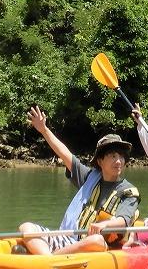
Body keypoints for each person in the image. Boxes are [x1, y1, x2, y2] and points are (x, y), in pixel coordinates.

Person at [16, 105, 141, 255]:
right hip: (72, 240)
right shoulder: (90, 178)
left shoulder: (129, 191)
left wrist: (106, 224)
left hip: (98, 247)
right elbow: (65, 154)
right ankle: (50, 259)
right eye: (113, 156)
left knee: (96, 241)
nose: (118, 161)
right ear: (100, 161)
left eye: (121, 156)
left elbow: (123, 219)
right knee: (26, 227)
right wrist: (44, 130)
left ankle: (49, 258)